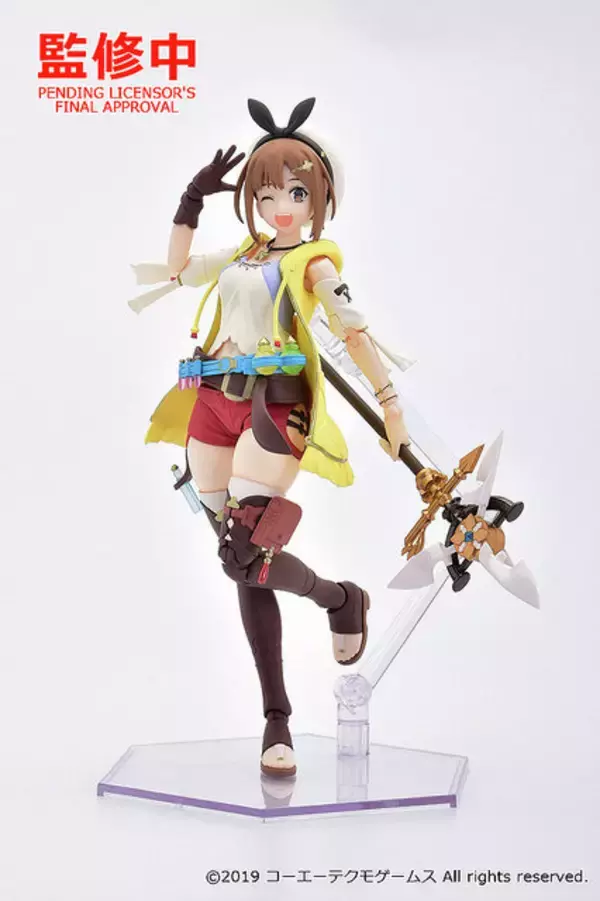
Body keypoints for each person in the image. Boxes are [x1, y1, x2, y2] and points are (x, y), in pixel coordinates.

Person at [129, 97, 410, 778]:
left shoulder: (314, 261)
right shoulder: (243, 252)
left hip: (273, 405)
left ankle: (286, 699)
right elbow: (176, 269)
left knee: (245, 548)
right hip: (210, 404)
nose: (280, 206)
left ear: (319, 200)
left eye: (295, 193)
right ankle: (337, 602)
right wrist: (191, 199)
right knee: (241, 559)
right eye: (266, 193)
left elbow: (352, 330)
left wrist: (389, 403)